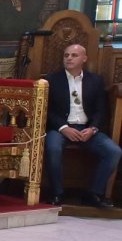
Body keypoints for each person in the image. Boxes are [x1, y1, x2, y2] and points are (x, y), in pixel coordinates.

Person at [42, 43, 122, 208]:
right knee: (53, 147)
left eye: (74, 55)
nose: (69, 58)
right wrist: (64, 128)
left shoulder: (96, 80)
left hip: (86, 129)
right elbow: (46, 110)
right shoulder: (51, 80)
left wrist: (92, 129)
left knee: (114, 151)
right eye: (66, 55)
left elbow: (101, 111)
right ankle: (57, 193)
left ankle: (93, 193)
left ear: (84, 59)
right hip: (61, 128)